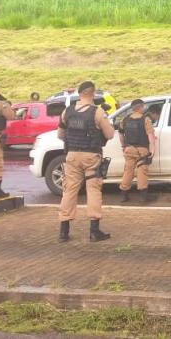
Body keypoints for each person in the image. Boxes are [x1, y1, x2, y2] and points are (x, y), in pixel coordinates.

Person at [57, 81, 116, 243]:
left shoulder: (67, 111)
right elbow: (110, 134)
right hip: (91, 156)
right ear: (93, 93)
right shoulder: (97, 112)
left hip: (72, 155)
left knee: (69, 190)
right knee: (93, 190)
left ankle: (63, 231)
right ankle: (94, 231)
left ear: (79, 93)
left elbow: (60, 135)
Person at [118, 99, 156, 203]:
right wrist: (152, 150)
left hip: (129, 149)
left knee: (128, 171)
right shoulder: (145, 120)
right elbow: (151, 136)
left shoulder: (124, 120)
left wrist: (123, 146)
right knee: (142, 172)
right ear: (141, 107)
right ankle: (143, 197)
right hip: (142, 149)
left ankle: (124, 195)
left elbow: (121, 134)